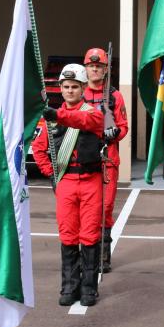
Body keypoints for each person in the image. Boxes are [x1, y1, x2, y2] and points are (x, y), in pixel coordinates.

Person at [32, 64, 105, 307]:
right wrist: (51, 174)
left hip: (91, 180)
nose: (70, 90)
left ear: (84, 88)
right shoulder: (50, 120)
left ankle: (89, 289)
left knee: (90, 234)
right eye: (66, 87)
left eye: (75, 86)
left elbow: (82, 121)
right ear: (60, 89)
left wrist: (57, 115)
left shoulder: (93, 113)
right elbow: (39, 150)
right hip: (66, 181)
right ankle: (69, 286)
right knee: (68, 234)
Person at [82, 47, 129, 273]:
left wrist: (115, 134)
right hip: (83, 159)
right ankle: (86, 255)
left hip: (107, 159)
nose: (95, 70)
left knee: (105, 208)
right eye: (91, 66)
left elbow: (123, 127)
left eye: (99, 66)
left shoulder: (115, 96)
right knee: (85, 208)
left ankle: (103, 256)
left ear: (105, 69)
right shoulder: (78, 92)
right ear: (85, 68)